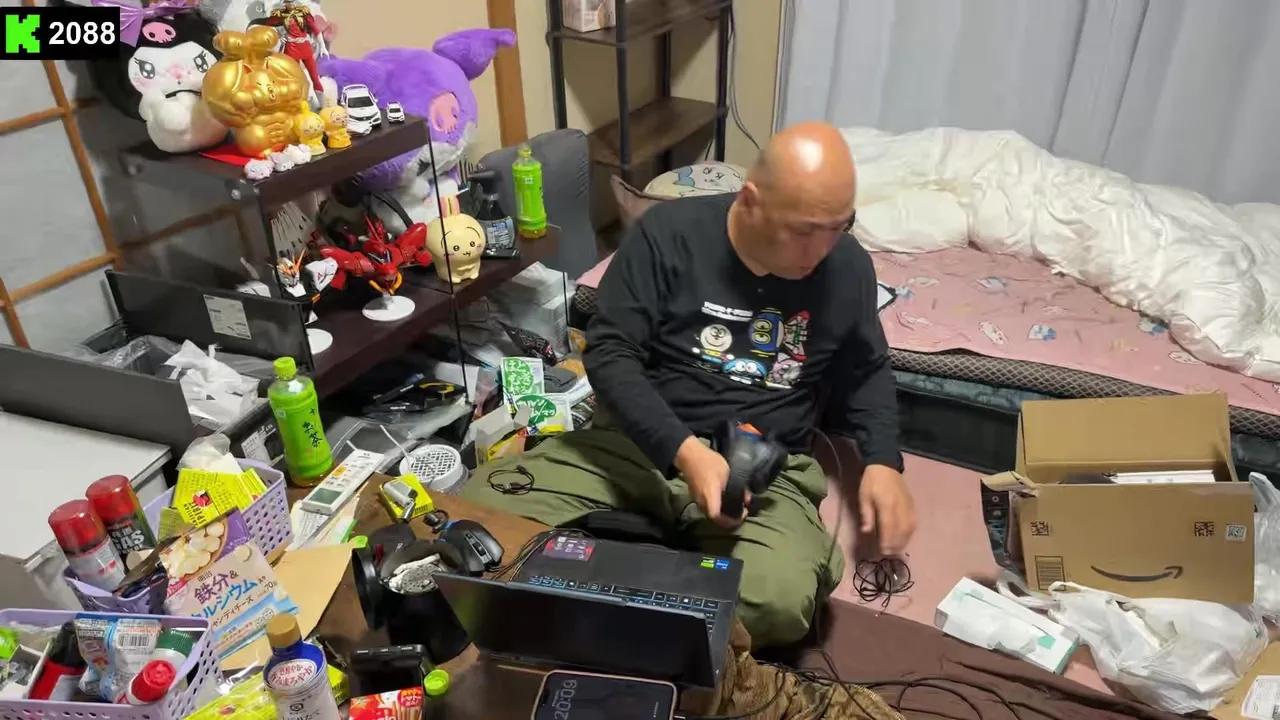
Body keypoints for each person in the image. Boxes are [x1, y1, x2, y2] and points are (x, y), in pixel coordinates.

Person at [462, 122, 915, 647]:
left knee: (780, 599)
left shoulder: (846, 265)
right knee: (477, 518)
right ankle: (660, 585)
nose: (822, 248)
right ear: (750, 201)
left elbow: (866, 369)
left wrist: (883, 463)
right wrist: (685, 453)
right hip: (637, 442)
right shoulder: (668, 234)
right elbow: (610, 351)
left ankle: (614, 580)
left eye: (838, 226)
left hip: (763, 465)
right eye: (804, 230)